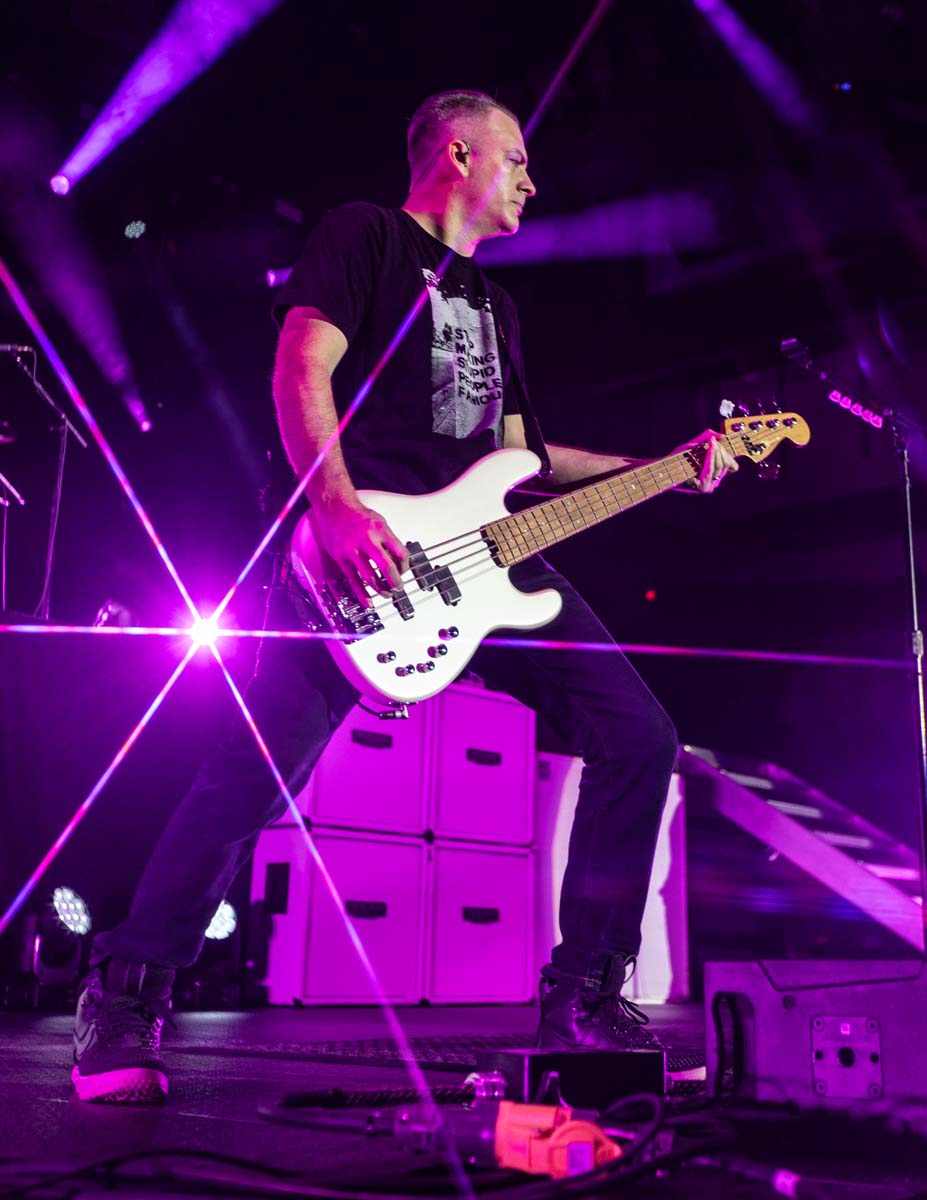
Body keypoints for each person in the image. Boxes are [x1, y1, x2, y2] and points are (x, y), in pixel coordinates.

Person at [71, 90, 736, 1103]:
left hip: (488, 557)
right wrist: (333, 505)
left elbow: (523, 458)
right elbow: (302, 363)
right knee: (257, 769)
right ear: (458, 153)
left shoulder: (499, 307)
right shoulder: (365, 236)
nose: (533, 181)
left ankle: (585, 998)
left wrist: (664, 469)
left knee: (639, 735)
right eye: (518, 158)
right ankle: (125, 993)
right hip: (360, 550)